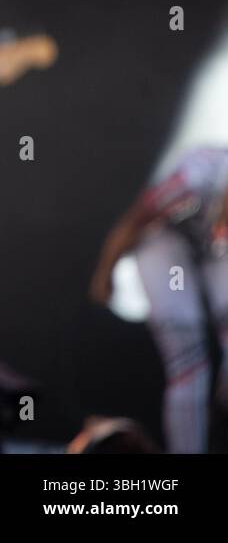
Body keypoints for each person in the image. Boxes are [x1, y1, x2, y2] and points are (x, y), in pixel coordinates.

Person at [90, 145, 228, 453]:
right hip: (166, 242)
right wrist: (105, 272)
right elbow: (133, 221)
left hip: (215, 250)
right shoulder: (192, 178)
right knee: (189, 362)